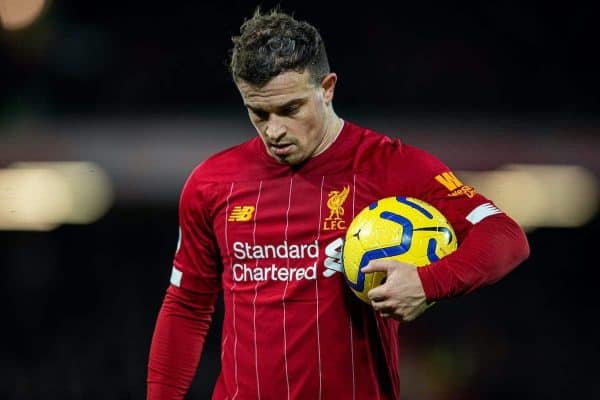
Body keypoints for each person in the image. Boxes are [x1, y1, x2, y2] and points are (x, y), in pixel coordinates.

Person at [147, 8, 530, 400]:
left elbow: (505, 235)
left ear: (327, 88)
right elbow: (186, 307)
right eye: (258, 113)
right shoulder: (211, 183)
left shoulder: (390, 167)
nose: (274, 130)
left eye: (291, 109)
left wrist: (428, 283)